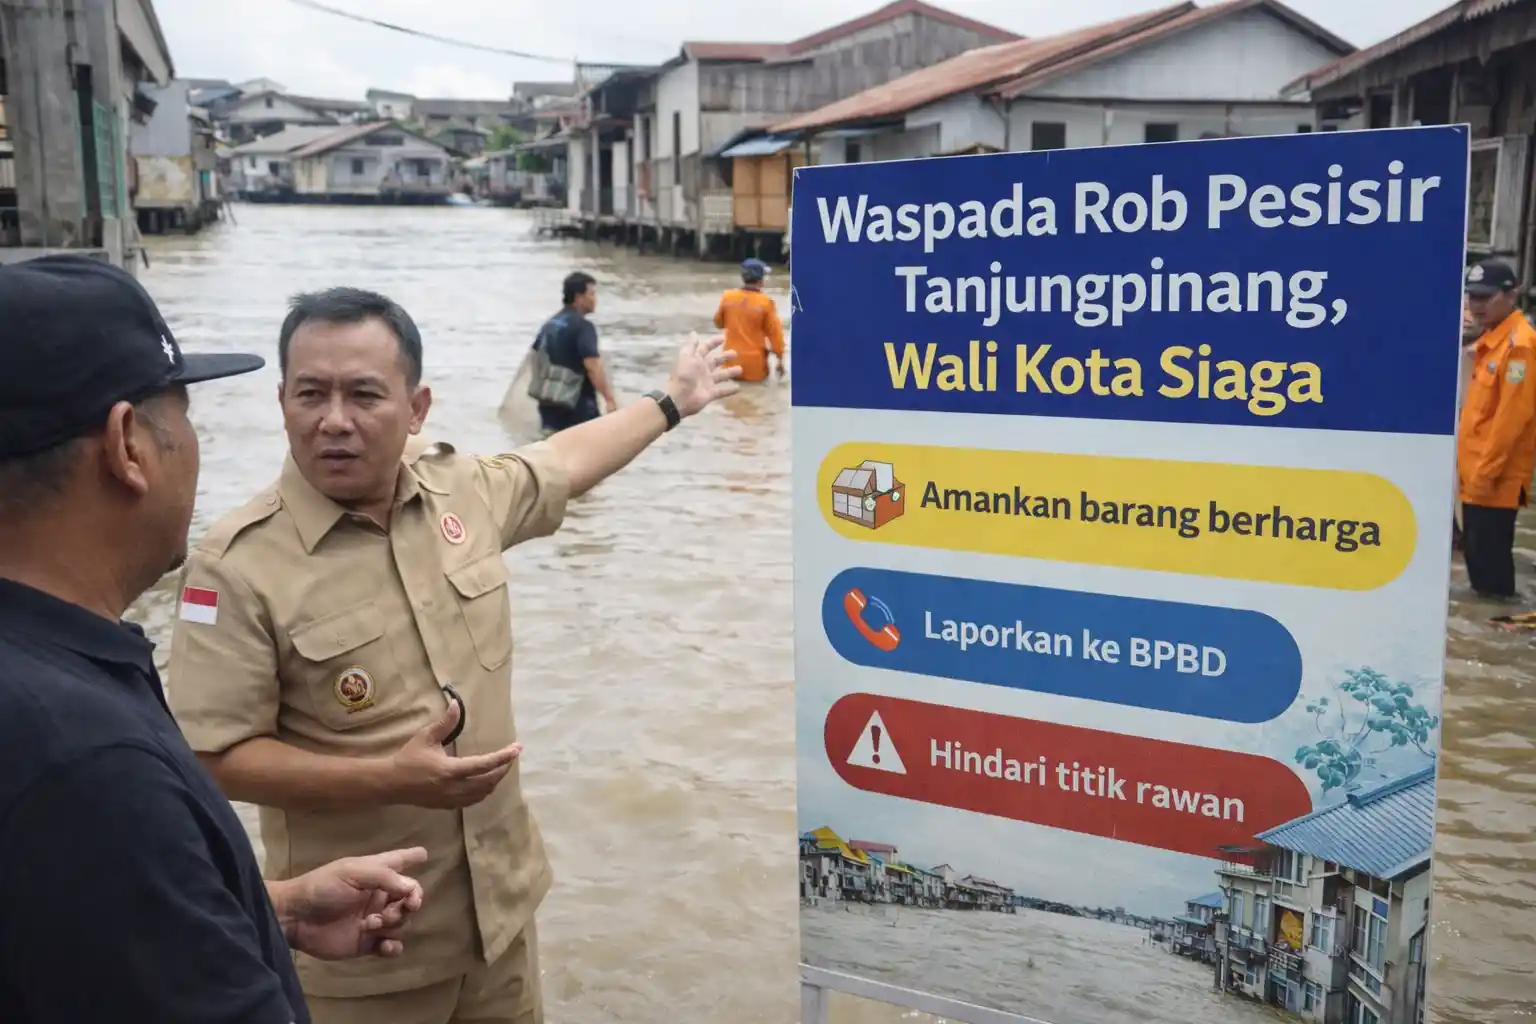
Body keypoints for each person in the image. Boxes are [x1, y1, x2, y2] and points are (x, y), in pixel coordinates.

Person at [166, 285, 739, 1024]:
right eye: (311, 394)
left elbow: (561, 460)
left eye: (364, 395)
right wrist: (388, 779)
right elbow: (211, 759)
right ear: (281, 402)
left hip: (500, 925)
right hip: (365, 951)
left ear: (416, 408)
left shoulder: (458, 491)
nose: (333, 420)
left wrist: (670, 403)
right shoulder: (235, 566)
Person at [0, 256, 431, 1024]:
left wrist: (276, 912)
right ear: (128, 445)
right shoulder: (88, 760)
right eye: (186, 418)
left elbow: (89, 913)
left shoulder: (53, 674)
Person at [1458, 257, 1536, 599]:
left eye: (1485, 297)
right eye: (1472, 296)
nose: (1476, 305)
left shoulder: (1519, 347)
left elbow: (1512, 420)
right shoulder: (1492, 342)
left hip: (1493, 480)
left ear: (1512, 295)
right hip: (1474, 477)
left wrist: (1485, 476)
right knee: (1477, 565)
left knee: (1491, 578)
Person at [530, 271, 616, 435]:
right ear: (579, 297)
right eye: (591, 293)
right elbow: (592, 366)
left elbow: (535, 357)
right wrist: (609, 399)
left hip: (549, 404)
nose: (595, 299)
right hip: (577, 406)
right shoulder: (584, 327)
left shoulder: (550, 324)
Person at [713, 257, 786, 383]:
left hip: (730, 361)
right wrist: (780, 359)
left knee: (731, 399)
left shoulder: (727, 297)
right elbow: (775, 335)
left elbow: (718, 323)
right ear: (760, 279)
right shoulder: (766, 303)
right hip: (755, 366)